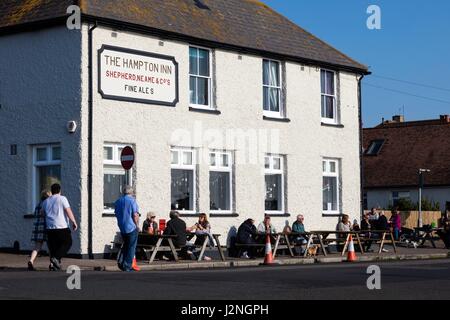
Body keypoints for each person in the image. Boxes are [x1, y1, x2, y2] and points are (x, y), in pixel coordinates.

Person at [42, 183, 78, 271]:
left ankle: (54, 265)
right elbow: (68, 210)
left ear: (52, 191)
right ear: (60, 190)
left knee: (54, 247)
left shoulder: (46, 201)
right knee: (67, 243)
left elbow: (42, 214)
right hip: (62, 226)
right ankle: (56, 258)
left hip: (50, 228)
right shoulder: (62, 199)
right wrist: (74, 221)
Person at [114, 185, 140, 272]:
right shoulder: (132, 201)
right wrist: (137, 225)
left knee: (125, 245)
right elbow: (135, 215)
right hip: (131, 226)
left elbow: (116, 214)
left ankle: (122, 262)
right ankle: (127, 265)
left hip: (122, 226)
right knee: (131, 247)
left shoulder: (118, 201)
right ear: (131, 192)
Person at [28, 190, 51, 271]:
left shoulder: (38, 204)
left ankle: (31, 260)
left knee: (37, 246)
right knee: (50, 246)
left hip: (37, 227)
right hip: (46, 226)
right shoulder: (47, 203)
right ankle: (52, 263)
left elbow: (35, 214)